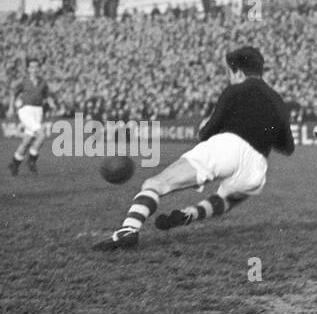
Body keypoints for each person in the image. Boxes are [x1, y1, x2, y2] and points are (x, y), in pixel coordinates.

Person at [93, 45, 295, 251]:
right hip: (256, 166)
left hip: (228, 147)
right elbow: (287, 146)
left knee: (156, 183)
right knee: (227, 199)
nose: (229, 77)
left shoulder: (236, 89)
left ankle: (128, 230)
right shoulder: (278, 101)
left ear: (239, 72)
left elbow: (206, 132)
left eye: (229, 72)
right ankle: (190, 214)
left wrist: (204, 127)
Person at [8, 57, 53, 175]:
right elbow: (13, 93)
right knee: (41, 135)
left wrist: (52, 103)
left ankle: (15, 163)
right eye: (32, 67)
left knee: (27, 141)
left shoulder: (43, 82)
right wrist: (11, 107)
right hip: (26, 110)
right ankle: (31, 160)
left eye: (36, 67)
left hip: (38, 111)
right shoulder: (23, 81)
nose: (35, 69)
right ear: (28, 69)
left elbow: (46, 95)